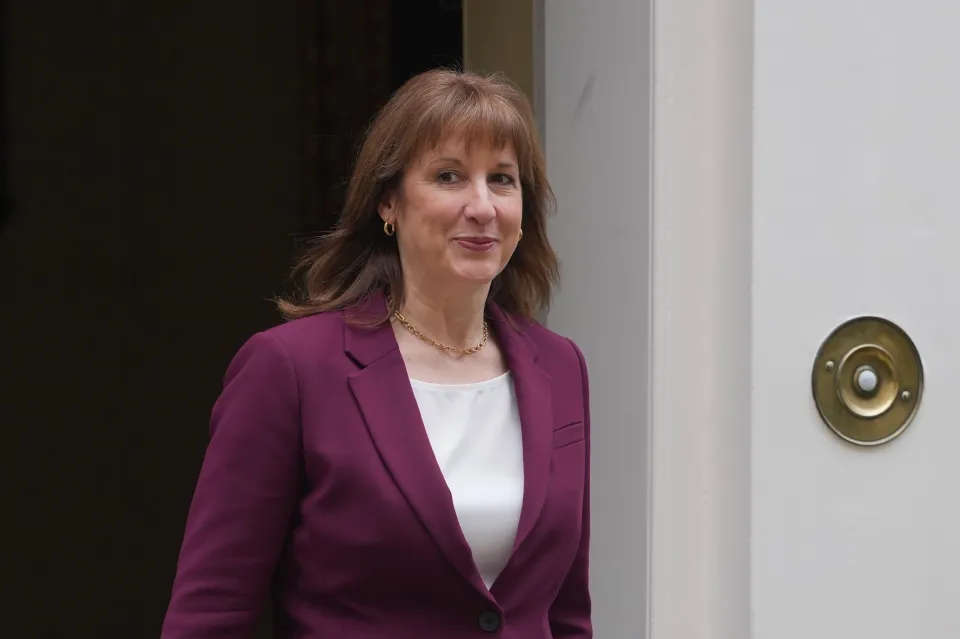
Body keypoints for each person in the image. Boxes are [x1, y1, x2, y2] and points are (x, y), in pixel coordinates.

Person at [161, 68, 592, 638]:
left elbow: (566, 615)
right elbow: (211, 615)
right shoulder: (290, 370)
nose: (482, 206)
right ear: (388, 201)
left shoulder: (560, 366)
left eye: (503, 180)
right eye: (449, 176)